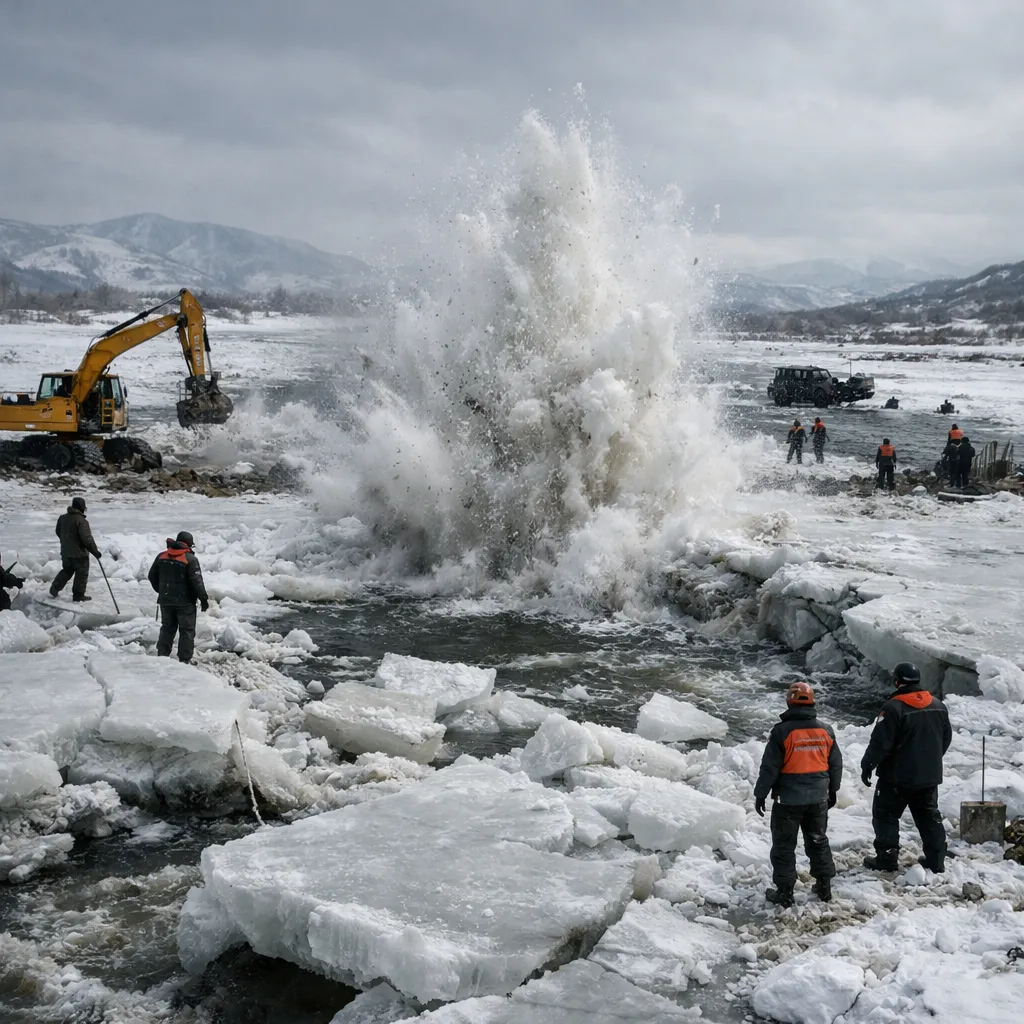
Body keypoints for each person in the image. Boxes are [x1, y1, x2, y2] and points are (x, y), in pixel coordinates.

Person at [754, 681, 842, 907]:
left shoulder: (782, 731)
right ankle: (824, 887)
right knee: (818, 840)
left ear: (789, 701)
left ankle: (785, 893)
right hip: (818, 797)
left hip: (789, 800)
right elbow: (835, 764)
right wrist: (833, 790)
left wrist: (760, 794)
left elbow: (770, 767)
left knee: (784, 844)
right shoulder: (825, 730)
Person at [861, 662, 952, 873]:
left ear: (897, 681)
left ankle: (887, 860)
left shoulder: (893, 708)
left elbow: (880, 743)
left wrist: (868, 765)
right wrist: (930, 761)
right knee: (929, 816)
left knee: (886, 817)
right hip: (928, 777)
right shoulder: (938, 705)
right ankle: (936, 860)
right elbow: (945, 738)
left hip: (896, 777)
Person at [148, 531, 209, 663]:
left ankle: (162, 656)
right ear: (188, 544)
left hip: (165, 601)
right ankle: (184, 660)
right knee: (186, 631)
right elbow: (196, 581)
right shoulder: (190, 559)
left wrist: (162, 590)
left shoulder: (161, 556)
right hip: (185, 603)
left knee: (167, 628)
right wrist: (203, 599)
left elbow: (151, 576)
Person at [49, 497, 101, 602]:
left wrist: (67, 542)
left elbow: (58, 532)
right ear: (81, 508)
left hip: (66, 552)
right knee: (81, 574)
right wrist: (94, 551)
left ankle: (55, 588)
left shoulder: (62, 518)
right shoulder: (82, 521)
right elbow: (87, 539)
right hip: (79, 554)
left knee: (67, 570)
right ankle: (78, 595)